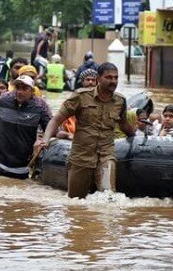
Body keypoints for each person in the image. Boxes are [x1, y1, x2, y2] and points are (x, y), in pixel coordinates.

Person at [38, 62, 135, 198]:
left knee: (109, 197)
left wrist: (136, 136)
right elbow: (56, 119)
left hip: (106, 154)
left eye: (116, 77)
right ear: (98, 79)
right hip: (81, 156)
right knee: (76, 201)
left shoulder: (120, 101)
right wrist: (45, 139)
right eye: (109, 77)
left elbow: (124, 124)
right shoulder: (80, 96)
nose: (113, 81)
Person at [57, 68, 98, 140]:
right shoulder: (74, 98)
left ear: (96, 82)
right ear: (82, 82)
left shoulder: (100, 100)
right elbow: (59, 120)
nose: (90, 82)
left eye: (93, 80)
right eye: (88, 80)